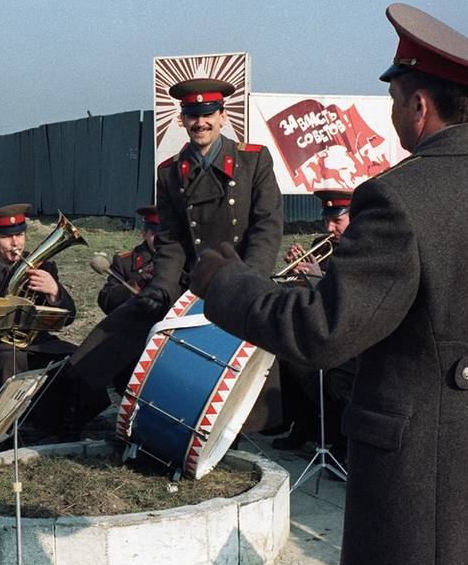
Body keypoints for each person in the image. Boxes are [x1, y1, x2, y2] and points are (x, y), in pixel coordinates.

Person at [190, 3, 468, 565]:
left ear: (420, 104)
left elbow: (322, 330)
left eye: (395, 99)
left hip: (421, 455)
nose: (394, 112)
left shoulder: (398, 196)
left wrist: (226, 284)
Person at [61, 77, 283, 436]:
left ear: (223, 116)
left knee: (241, 355)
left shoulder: (252, 160)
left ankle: (237, 432)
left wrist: (250, 282)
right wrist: (161, 288)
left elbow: (266, 227)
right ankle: (61, 412)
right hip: (191, 281)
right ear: (182, 119)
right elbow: (172, 240)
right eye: (193, 115)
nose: (201, 123)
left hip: (242, 276)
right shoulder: (169, 172)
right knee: (122, 323)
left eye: (208, 114)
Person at [0, 204, 77, 411]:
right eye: (6, 237)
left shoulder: (44, 266)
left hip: (38, 343)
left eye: (20, 235)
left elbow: (69, 318)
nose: (16, 243)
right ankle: (4, 423)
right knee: (9, 361)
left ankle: (61, 422)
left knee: (76, 360)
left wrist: (55, 291)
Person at [271, 191, 358, 456]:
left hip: (349, 341)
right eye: (326, 220)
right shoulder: (322, 245)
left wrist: (319, 278)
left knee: (322, 372)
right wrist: (297, 273)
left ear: (354, 217)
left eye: (337, 221)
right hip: (320, 329)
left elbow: (351, 301)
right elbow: (308, 297)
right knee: (284, 354)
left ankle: (325, 435)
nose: (329, 228)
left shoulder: (363, 250)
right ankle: (299, 427)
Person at [96, 206, 158, 315]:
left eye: (166, 234)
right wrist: (138, 282)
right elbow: (106, 302)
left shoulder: (185, 260)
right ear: (144, 234)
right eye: (154, 234)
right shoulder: (125, 262)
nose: (161, 239)